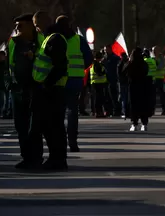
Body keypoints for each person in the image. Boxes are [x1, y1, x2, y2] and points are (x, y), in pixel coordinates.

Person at [31, 17, 69, 171]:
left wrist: (47, 83)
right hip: (51, 88)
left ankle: (57, 159)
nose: (36, 29)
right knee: (51, 126)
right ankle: (55, 158)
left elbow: (60, 65)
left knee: (54, 126)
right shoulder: (51, 39)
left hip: (52, 90)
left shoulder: (55, 39)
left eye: (36, 26)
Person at [8, 14, 43, 169]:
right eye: (16, 26)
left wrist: (33, 56)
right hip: (17, 89)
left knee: (34, 126)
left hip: (35, 88)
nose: (17, 29)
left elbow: (46, 59)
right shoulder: (13, 42)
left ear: (30, 26)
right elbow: (10, 65)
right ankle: (26, 156)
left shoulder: (40, 40)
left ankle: (36, 157)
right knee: (20, 125)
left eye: (20, 25)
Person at [55, 15, 87, 153]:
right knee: (73, 112)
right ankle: (72, 142)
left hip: (58, 79)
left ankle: (59, 143)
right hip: (75, 79)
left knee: (58, 112)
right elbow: (88, 58)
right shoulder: (78, 40)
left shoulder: (54, 39)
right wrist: (79, 68)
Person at [124, 47, 152, 132]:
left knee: (133, 106)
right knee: (143, 105)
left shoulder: (130, 64)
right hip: (143, 86)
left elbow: (123, 72)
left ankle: (134, 124)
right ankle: (144, 124)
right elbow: (146, 72)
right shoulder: (144, 64)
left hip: (133, 86)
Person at [103, 47, 123, 117]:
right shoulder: (105, 58)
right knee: (107, 97)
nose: (105, 51)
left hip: (113, 80)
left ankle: (117, 111)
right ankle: (109, 110)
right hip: (106, 80)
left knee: (114, 96)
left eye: (106, 50)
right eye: (105, 50)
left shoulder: (115, 58)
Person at [149, 46, 165, 115]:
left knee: (162, 95)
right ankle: (152, 110)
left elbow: (160, 66)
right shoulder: (151, 58)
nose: (154, 52)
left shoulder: (161, 58)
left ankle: (164, 110)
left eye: (155, 50)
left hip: (160, 79)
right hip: (153, 79)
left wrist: (155, 63)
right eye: (153, 51)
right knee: (152, 96)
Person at [90, 51, 109, 117]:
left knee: (99, 99)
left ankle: (98, 112)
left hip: (97, 84)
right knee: (98, 99)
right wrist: (104, 72)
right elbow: (99, 73)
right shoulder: (96, 64)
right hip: (97, 84)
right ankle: (98, 112)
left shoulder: (95, 64)